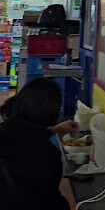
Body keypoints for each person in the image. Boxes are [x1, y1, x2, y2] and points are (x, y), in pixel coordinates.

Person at [0, 78, 74, 210]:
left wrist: (53, 130)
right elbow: (46, 199)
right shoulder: (47, 154)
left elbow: (22, 137)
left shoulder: (4, 130)